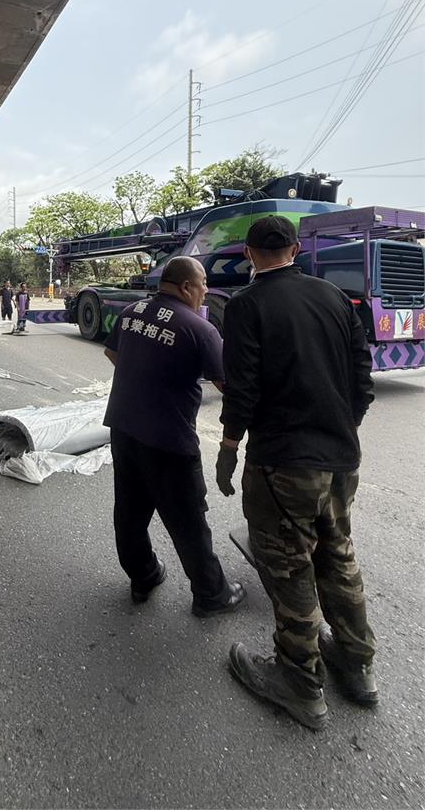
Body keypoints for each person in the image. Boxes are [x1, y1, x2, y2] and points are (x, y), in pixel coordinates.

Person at [216, 215, 376, 731]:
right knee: (338, 555)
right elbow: (361, 375)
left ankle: (300, 684)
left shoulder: (246, 305)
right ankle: (356, 664)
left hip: (283, 462)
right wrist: (340, 427)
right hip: (339, 458)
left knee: (290, 569)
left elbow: (242, 387)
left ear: (248, 252)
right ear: (294, 248)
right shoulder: (334, 298)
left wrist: (229, 443)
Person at [103, 256, 246, 615]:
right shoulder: (199, 329)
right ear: (186, 287)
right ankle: (213, 595)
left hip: (124, 428)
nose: (205, 293)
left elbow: (111, 352)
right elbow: (228, 384)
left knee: (130, 512)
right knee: (188, 521)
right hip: (169, 441)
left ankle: (144, 576)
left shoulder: (133, 311)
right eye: (202, 286)